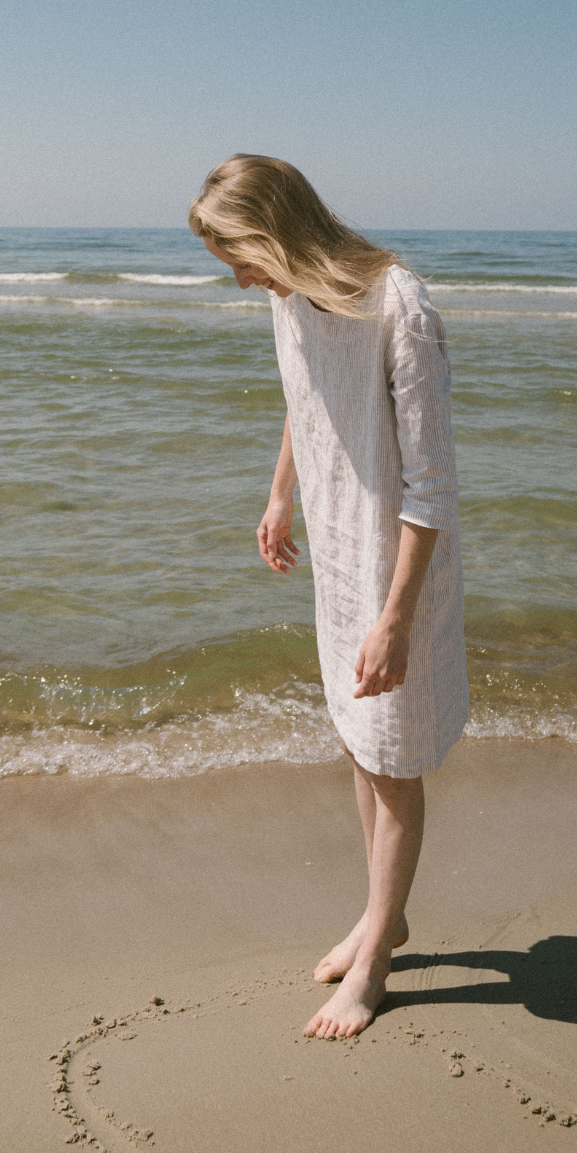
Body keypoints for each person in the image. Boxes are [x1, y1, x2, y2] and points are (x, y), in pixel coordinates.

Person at [189, 154, 468, 1039]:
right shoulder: (290, 295)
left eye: (239, 254)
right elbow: (304, 398)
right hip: (341, 556)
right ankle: (383, 911)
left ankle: (379, 957)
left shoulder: (398, 306)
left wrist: (396, 619)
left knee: (393, 761)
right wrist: (280, 494)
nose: (237, 278)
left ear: (277, 232)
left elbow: (431, 488)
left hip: (395, 567)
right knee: (359, 741)